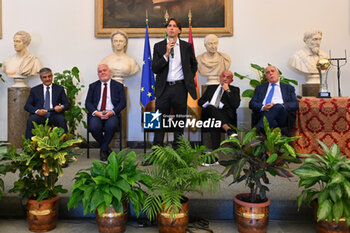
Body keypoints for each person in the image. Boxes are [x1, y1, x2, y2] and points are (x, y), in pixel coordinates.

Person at [152, 18, 197, 147]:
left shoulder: (186, 47)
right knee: (160, 120)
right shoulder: (159, 46)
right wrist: (166, 54)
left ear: (179, 30)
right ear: (166, 29)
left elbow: (194, 64)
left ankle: (178, 149)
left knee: (179, 120)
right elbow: (154, 68)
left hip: (180, 88)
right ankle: (157, 150)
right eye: (169, 26)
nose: (171, 28)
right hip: (163, 88)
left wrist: (188, 77)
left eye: (174, 26)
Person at [85, 64, 126, 161]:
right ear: (98, 74)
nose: (102, 72)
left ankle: (103, 150)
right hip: (97, 113)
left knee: (111, 126)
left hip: (112, 113)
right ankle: (107, 148)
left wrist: (112, 112)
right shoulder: (93, 86)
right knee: (93, 127)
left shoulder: (118, 86)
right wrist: (96, 112)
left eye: (104, 70)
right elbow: (88, 103)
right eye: (100, 71)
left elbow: (123, 103)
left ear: (110, 72)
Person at [249, 65, 299, 134]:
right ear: (266, 76)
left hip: (282, 115)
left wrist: (279, 106)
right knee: (272, 121)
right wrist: (263, 107)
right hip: (264, 112)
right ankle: (263, 130)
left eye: (272, 71)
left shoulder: (288, 88)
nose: (270, 73)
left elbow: (295, 104)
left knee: (277, 106)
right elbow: (252, 103)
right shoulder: (260, 88)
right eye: (267, 72)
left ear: (278, 73)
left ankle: (259, 128)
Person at [198, 70, 240, 150]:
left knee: (215, 122)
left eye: (228, 77)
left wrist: (227, 90)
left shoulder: (234, 90)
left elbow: (235, 104)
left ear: (231, 80)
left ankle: (214, 154)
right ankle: (228, 129)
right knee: (210, 107)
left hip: (224, 115)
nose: (224, 79)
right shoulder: (211, 88)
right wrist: (209, 105)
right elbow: (200, 101)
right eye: (223, 76)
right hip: (209, 113)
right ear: (220, 77)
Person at [24, 67, 70, 139]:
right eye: (44, 77)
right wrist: (37, 111)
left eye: (49, 76)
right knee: (31, 120)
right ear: (41, 78)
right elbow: (27, 106)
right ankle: (30, 146)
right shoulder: (35, 90)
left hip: (54, 114)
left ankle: (64, 145)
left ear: (52, 76)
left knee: (61, 120)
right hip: (40, 115)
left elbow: (67, 104)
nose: (47, 79)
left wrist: (61, 108)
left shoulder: (59, 89)